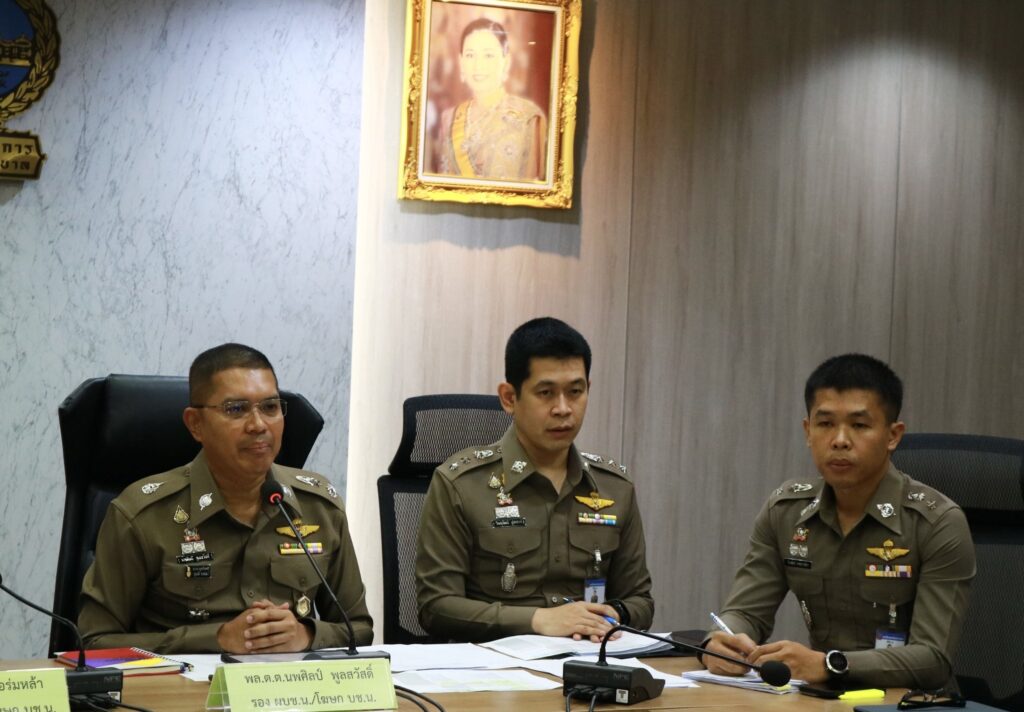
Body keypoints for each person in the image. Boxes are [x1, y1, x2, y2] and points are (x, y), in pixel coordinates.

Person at [702, 354, 975, 689]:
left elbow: (932, 659)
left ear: (893, 435)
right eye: (826, 424)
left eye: (859, 425)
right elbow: (746, 612)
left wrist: (829, 665)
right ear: (808, 431)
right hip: (820, 698)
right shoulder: (786, 512)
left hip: (909, 703)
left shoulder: (936, 523)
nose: (840, 440)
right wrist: (720, 641)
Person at [78, 343, 373, 653]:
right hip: (181, 683)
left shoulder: (319, 507)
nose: (258, 425)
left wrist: (306, 635)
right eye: (236, 409)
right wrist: (216, 639)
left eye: (270, 407)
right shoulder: (142, 515)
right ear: (196, 424)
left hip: (287, 682)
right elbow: (93, 643)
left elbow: (359, 629)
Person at [415, 317, 654, 642]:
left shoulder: (614, 487)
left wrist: (611, 615)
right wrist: (539, 620)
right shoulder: (461, 484)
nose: (563, 409)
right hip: (494, 664)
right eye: (546, 393)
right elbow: (437, 607)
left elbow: (640, 601)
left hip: (590, 657)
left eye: (575, 392)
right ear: (509, 397)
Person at [436, 18, 547, 181]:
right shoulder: (448, 119)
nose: (478, 65)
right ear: (461, 62)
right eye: (470, 55)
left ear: (506, 61)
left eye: (488, 55)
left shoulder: (528, 118)